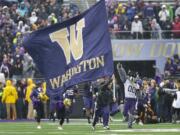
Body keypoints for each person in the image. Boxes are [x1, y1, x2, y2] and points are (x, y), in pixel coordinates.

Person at [117, 63, 139, 128]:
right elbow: (122, 74)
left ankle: (130, 124)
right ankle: (124, 112)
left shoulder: (137, 84)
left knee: (132, 112)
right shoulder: (126, 81)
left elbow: (135, 86)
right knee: (124, 113)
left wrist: (132, 79)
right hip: (127, 99)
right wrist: (120, 68)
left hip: (133, 100)